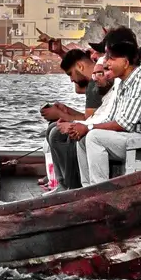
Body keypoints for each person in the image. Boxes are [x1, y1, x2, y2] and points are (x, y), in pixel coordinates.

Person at [60, 33, 141, 187]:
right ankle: (87, 190)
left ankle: (99, 191)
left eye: (112, 59)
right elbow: (111, 116)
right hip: (138, 139)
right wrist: (77, 126)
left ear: (126, 62)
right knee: (82, 139)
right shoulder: (122, 82)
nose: (106, 63)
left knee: (94, 137)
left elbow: (123, 124)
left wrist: (87, 127)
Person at [40, 48, 98, 191]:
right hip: (95, 123)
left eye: (70, 74)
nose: (71, 80)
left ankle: (71, 186)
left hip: (97, 128)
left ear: (80, 67)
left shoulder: (95, 84)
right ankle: (61, 183)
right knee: (53, 128)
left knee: (57, 134)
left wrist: (62, 116)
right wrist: (66, 112)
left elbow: (91, 120)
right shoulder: (91, 84)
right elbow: (90, 117)